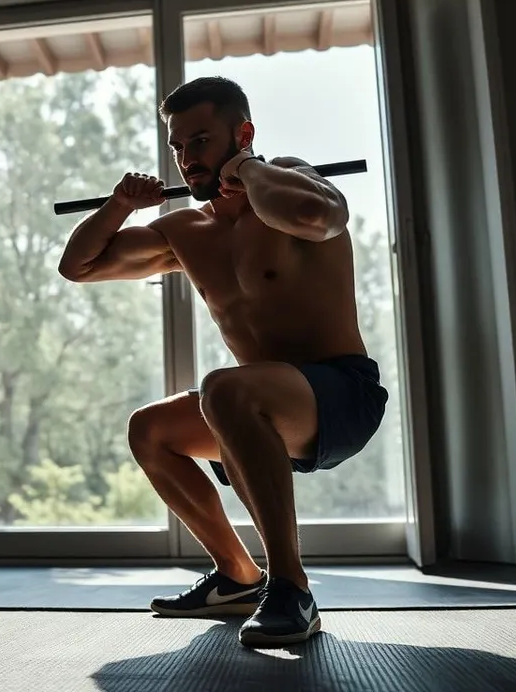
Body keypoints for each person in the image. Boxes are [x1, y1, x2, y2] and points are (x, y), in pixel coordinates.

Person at [57, 76, 388, 648]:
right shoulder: (185, 231)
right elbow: (79, 266)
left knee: (224, 389)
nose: (187, 159)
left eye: (201, 141)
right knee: (151, 429)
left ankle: (292, 588)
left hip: (341, 395)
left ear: (244, 133)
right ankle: (238, 577)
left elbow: (320, 217)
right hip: (259, 407)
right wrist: (118, 207)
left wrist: (252, 170)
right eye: (178, 147)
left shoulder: (290, 182)